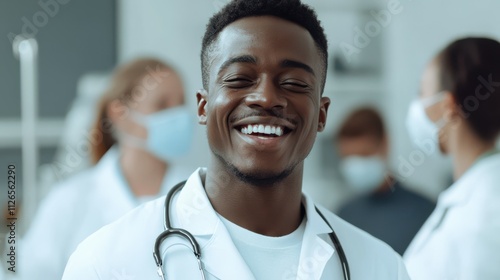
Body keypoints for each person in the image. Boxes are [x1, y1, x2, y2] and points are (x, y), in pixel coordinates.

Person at [62, 1, 410, 279]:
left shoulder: (381, 268)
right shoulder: (105, 263)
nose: (266, 98)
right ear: (202, 106)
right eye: (240, 78)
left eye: (294, 83)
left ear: (321, 114)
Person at [18, 58, 193, 280]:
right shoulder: (70, 200)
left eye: (181, 103)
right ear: (120, 113)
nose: (178, 116)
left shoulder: (199, 194)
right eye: (162, 105)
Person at [404, 37, 500, 279]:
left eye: (422, 93)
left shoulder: (482, 213)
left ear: (448, 107)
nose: (418, 107)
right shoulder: (476, 193)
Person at [335, 107, 435, 255]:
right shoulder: (343, 216)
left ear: (385, 144)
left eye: (364, 154)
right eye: (349, 158)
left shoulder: (424, 212)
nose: (357, 166)